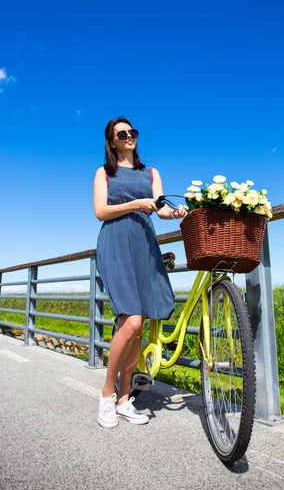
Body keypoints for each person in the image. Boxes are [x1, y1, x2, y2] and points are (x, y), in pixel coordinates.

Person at [93, 116, 187, 428]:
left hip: (144, 247)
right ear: (112, 140)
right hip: (116, 244)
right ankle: (107, 394)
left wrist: (175, 212)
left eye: (133, 132)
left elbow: (159, 208)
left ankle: (123, 400)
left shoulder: (151, 172)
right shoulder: (104, 173)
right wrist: (136, 203)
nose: (130, 136)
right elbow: (100, 211)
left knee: (137, 323)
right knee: (131, 320)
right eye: (123, 133)